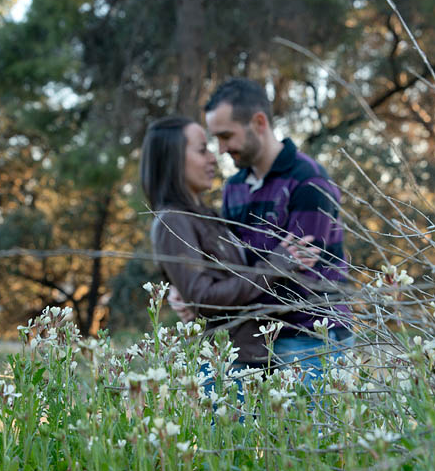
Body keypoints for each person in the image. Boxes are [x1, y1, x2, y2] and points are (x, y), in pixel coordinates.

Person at [173, 78, 352, 387]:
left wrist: (213, 300)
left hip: (312, 339)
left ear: (258, 123)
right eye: (216, 138)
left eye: (226, 136)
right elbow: (232, 263)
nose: (221, 149)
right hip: (257, 341)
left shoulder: (308, 181)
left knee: (309, 436)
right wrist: (193, 291)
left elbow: (295, 280)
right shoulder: (235, 188)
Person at [141, 115, 318, 372]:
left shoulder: (205, 216)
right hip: (228, 367)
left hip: (253, 360)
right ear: (172, 161)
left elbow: (221, 291)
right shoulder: (173, 221)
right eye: (202, 150)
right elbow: (204, 299)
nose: (213, 157)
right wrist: (276, 265)